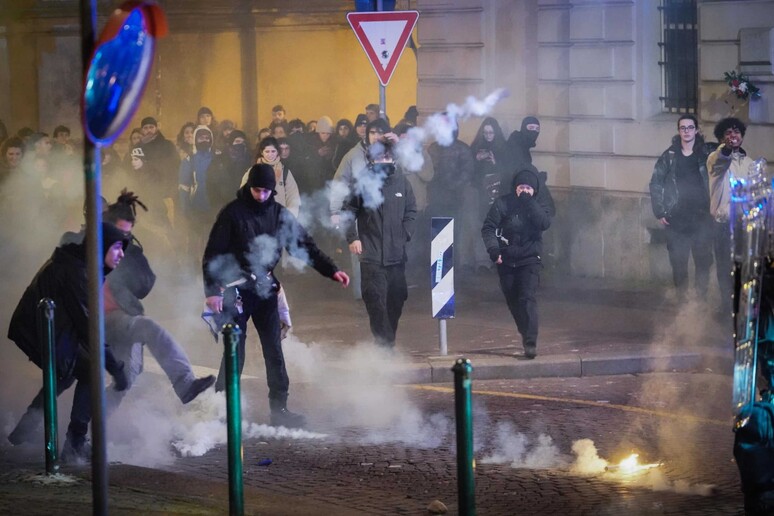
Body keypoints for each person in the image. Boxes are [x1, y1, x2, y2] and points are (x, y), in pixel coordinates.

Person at [202, 164, 350, 428]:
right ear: (249, 187)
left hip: (266, 289)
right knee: (235, 349)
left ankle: (280, 408)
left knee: (274, 349)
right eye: (257, 190)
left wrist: (332, 270)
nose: (261, 196)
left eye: (266, 191)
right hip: (235, 289)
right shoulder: (232, 213)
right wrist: (212, 291)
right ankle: (223, 407)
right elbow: (213, 254)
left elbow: (304, 246)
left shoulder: (279, 214)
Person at [7, 222, 130, 462]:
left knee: (66, 373)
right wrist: (115, 368)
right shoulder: (76, 272)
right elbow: (89, 328)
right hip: (38, 332)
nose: (122, 254)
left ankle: (22, 432)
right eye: (116, 247)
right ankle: (74, 443)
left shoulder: (77, 264)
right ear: (100, 246)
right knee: (89, 371)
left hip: (42, 330)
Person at [103, 191, 215, 411]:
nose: (123, 239)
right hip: (99, 320)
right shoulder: (85, 245)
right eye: (120, 232)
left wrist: (130, 253)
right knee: (149, 328)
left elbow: (145, 283)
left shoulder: (126, 251)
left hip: (123, 317)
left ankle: (85, 434)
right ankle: (184, 384)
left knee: (126, 378)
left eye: (128, 233)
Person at [342, 143, 416, 348]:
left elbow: (411, 211)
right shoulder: (362, 182)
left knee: (397, 298)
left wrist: (404, 234)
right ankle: (384, 345)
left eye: (387, 157)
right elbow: (348, 211)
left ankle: (387, 338)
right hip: (371, 254)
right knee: (375, 301)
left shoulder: (402, 183)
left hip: (396, 255)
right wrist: (353, 238)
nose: (383, 161)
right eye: (379, 157)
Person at [482, 165, 552, 359]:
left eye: (528, 188)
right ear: (515, 187)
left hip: (529, 260)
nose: (524, 191)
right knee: (513, 301)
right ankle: (525, 331)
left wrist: (529, 202)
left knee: (526, 297)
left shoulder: (539, 205)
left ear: (534, 190)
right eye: (521, 187)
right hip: (506, 260)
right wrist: (494, 250)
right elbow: (488, 228)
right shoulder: (502, 204)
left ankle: (530, 340)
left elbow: (544, 223)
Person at [649, 115, 713, 302]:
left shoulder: (706, 153)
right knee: (678, 263)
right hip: (677, 219)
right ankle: (682, 304)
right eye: (683, 128)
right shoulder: (669, 155)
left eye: (690, 127)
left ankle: (700, 303)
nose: (686, 131)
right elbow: (656, 182)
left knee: (703, 262)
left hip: (702, 217)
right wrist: (659, 211)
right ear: (679, 131)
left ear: (696, 130)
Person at [708, 117, 755, 318]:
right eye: (728, 132)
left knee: (745, 266)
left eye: (736, 132)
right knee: (725, 268)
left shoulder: (749, 163)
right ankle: (727, 306)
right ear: (721, 137)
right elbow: (721, 160)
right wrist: (726, 149)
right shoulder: (715, 158)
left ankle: (743, 305)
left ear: (742, 136)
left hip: (744, 224)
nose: (733, 136)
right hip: (723, 223)